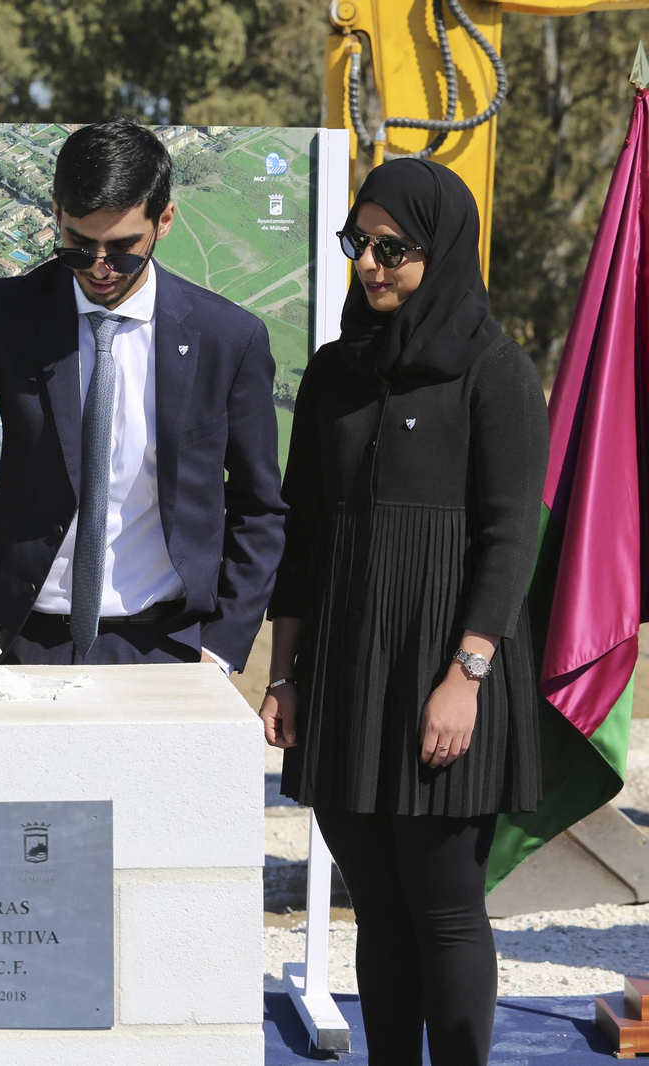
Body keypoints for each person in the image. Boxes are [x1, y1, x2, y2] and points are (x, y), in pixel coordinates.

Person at [257, 158, 546, 1066]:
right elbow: (301, 537)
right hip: (347, 673)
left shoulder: (497, 372)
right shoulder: (336, 374)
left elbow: (509, 541)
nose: (372, 264)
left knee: (444, 903)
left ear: (443, 249)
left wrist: (464, 677)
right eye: (359, 244)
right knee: (375, 906)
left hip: (448, 671)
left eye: (394, 248)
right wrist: (286, 675)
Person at [0, 120, 284, 670]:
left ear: (163, 220)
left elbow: (259, 508)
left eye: (122, 250)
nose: (99, 268)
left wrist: (217, 650)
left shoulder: (228, 340)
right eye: (77, 246)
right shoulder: (8, 315)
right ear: (56, 212)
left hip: (166, 648)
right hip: (12, 641)